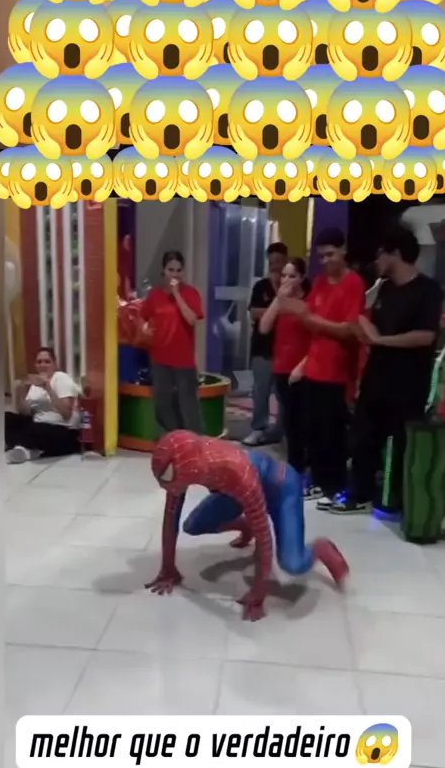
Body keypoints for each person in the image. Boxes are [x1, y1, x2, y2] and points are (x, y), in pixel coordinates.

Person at [330, 223, 444, 514]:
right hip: (376, 378)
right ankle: (359, 494)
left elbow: (426, 335)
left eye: (381, 253)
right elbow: (370, 324)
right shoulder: (384, 289)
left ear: (395, 253)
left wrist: (383, 341)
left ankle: (395, 498)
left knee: (400, 442)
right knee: (363, 438)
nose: (376, 260)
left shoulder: (428, 291)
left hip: (408, 382)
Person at [183, 449, 349, 587]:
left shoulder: (241, 476)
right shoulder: (189, 465)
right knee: (193, 525)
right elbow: (173, 504)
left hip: (282, 490)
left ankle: (320, 548)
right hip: (238, 488)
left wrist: (257, 594)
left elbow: (264, 541)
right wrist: (169, 568)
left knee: (292, 564)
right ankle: (245, 526)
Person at [289, 229, 366, 506]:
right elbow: (308, 319)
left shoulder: (354, 284)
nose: (325, 261)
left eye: (330, 254)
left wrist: (312, 320)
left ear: (343, 250)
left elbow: (348, 330)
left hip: (337, 371)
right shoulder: (320, 282)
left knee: (332, 432)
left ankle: (334, 486)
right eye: (321, 256)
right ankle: (318, 481)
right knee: (313, 430)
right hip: (314, 367)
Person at [139, 250, 204, 434]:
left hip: (183, 359)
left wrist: (177, 295)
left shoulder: (191, 293)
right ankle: (172, 439)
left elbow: (192, 319)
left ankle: (195, 441)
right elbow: (142, 316)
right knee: (162, 404)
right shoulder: (155, 295)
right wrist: (144, 328)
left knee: (188, 405)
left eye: (178, 270)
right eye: (171, 270)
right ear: (164, 270)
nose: (175, 274)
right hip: (159, 358)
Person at [259, 257, 311, 474]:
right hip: (282, 367)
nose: (287, 280)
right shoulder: (280, 302)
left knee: (303, 422)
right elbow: (264, 327)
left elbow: (316, 337)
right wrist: (278, 300)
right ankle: (294, 467)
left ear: (302, 278)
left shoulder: (308, 302)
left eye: (292, 276)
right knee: (289, 421)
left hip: (304, 369)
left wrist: (303, 365)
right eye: (284, 276)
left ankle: (303, 468)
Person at [243, 241, 288, 447]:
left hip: (286, 351)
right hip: (262, 349)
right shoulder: (260, 286)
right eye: (271, 262)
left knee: (284, 395)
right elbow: (254, 313)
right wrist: (277, 308)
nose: (275, 266)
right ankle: (258, 428)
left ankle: (280, 430)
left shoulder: (295, 287)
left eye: (279, 261)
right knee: (260, 391)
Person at [5, 347, 81, 464]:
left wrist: (48, 388)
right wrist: (20, 392)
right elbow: (26, 412)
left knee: (36, 429)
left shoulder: (61, 379)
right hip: (39, 426)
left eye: (47, 361)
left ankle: (23, 448)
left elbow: (67, 414)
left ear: (54, 364)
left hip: (63, 429)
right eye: (39, 362)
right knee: (7, 419)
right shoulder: (35, 383)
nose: (42, 365)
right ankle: (29, 449)